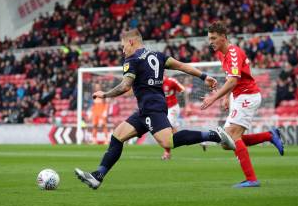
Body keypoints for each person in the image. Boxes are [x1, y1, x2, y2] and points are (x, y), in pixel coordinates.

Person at [75, 29, 235, 190]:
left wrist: (105, 95)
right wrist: (204, 76)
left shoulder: (132, 60)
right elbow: (181, 66)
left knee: (168, 141)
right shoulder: (158, 55)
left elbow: (125, 86)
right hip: (148, 108)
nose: (123, 50)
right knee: (117, 136)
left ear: (131, 42)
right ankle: (98, 176)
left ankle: (214, 135)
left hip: (152, 107)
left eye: (123, 46)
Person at [201, 21, 285, 188]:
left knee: (232, 136)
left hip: (248, 96)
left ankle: (252, 179)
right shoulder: (221, 53)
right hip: (238, 96)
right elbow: (229, 78)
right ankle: (269, 136)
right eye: (209, 38)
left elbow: (233, 81)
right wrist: (226, 98)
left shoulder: (233, 53)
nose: (210, 42)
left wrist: (214, 98)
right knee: (226, 143)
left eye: (214, 38)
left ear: (223, 38)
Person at [161, 75, 185, 160]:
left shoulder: (171, 81)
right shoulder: (154, 83)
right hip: (162, 108)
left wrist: (185, 103)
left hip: (172, 107)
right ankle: (197, 139)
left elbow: (182, 89)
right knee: (173, 131)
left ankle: (167, 153)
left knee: (167, 127)